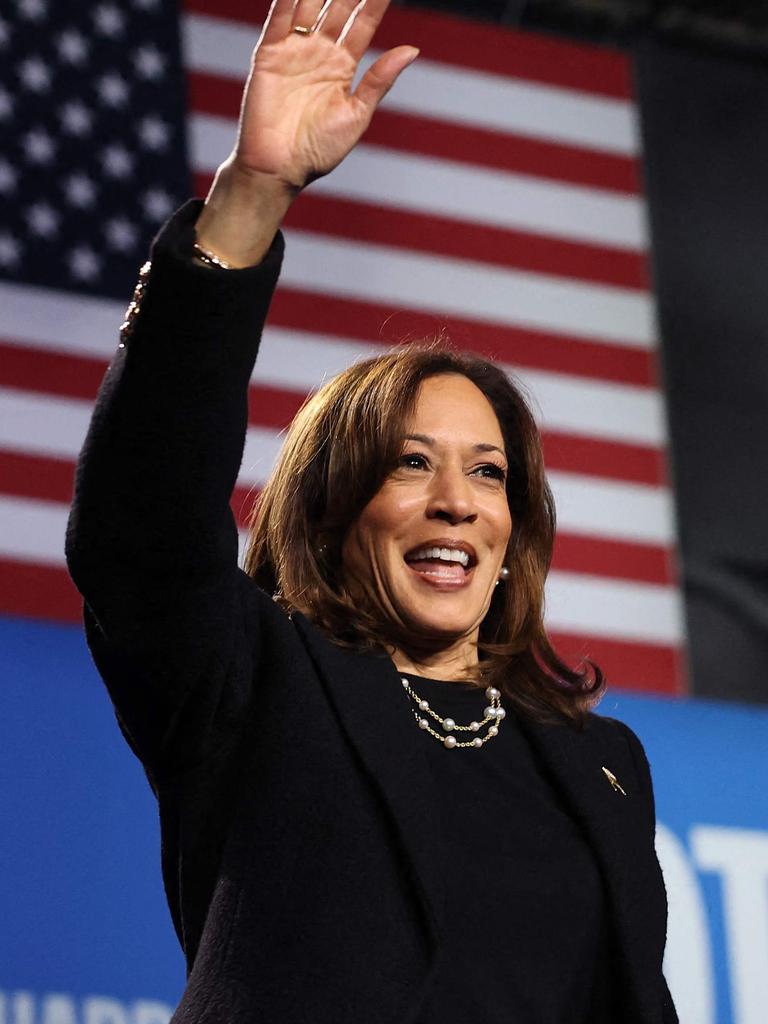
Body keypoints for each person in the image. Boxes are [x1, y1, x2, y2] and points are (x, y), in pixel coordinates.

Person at [65, 0, 678, 1021]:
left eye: (490, 475)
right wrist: (254, 191)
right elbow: (143, 521)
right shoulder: (250, 685)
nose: (457, 504)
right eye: (411, 464)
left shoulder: (601, 766)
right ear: (333, 508)